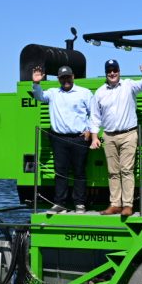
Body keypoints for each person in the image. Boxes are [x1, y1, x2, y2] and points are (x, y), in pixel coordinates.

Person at [90, 58, 142, 218]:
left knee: (126, 170)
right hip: (109, 136)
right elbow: (95, 117)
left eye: (115, 70)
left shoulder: (129, 85)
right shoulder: (99, 92)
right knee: (112, 172)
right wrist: (94, 137)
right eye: (109, 71)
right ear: (106, 73)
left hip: (128, 134)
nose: (112, 73)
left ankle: (127, 206)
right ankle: (115, 204)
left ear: (119, 71)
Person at [31, 65, 94, 213]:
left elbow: (94, 113)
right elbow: (39, 96)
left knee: (79, 171)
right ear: (59, 79)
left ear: (72, 77)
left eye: (68, 77)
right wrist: (36, 83)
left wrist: (90, 131)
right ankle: (60, 204)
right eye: (62, 78)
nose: (65, 80)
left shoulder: (84, 93)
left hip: (79, 138)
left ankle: (79, 203)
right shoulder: (53, 93)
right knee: (60, 171)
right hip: (58, 138)